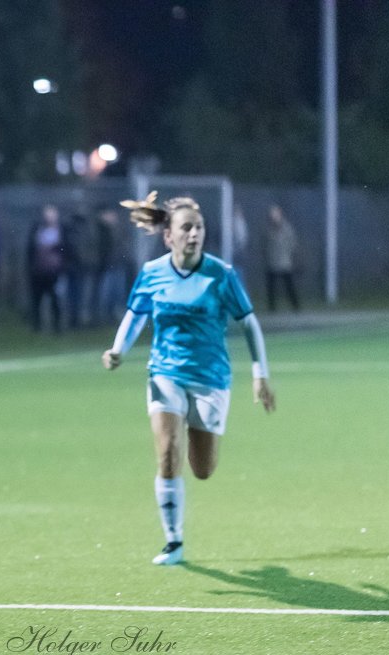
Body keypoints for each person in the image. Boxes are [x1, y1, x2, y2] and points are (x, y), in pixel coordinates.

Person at [102, 192, 276, 566]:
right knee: (167, 453)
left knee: (203, 469)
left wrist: (260, 374)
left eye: (199, 227)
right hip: (165, 372)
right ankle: (174, 541)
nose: (194, 234)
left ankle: (180, 522)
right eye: (187, 228)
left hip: (211, 377)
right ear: (169, 236)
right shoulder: (152, 273)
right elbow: (136, 315)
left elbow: (249, 323)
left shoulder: (221, 275)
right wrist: (118, 350)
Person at [26, 204, 65, 333]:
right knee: (37, 300)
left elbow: (64, 249)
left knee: (55, 300)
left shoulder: (61, 230)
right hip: (39, 271)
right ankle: (36, 326)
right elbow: (31, 249)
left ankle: (57, 326)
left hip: (54, 272)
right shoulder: (38, 229)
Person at [263, 204, 300, 312]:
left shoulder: (287, 228)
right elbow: (264, 244)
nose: (274, 217)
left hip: (284, 261)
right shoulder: (268, 229)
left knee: (289, 286)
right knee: (271, 287)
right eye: (272, 215)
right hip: (271, 262)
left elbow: (292, 243)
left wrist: (291, 255)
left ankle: (296, 306)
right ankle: (272, 308)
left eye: (275, 214)